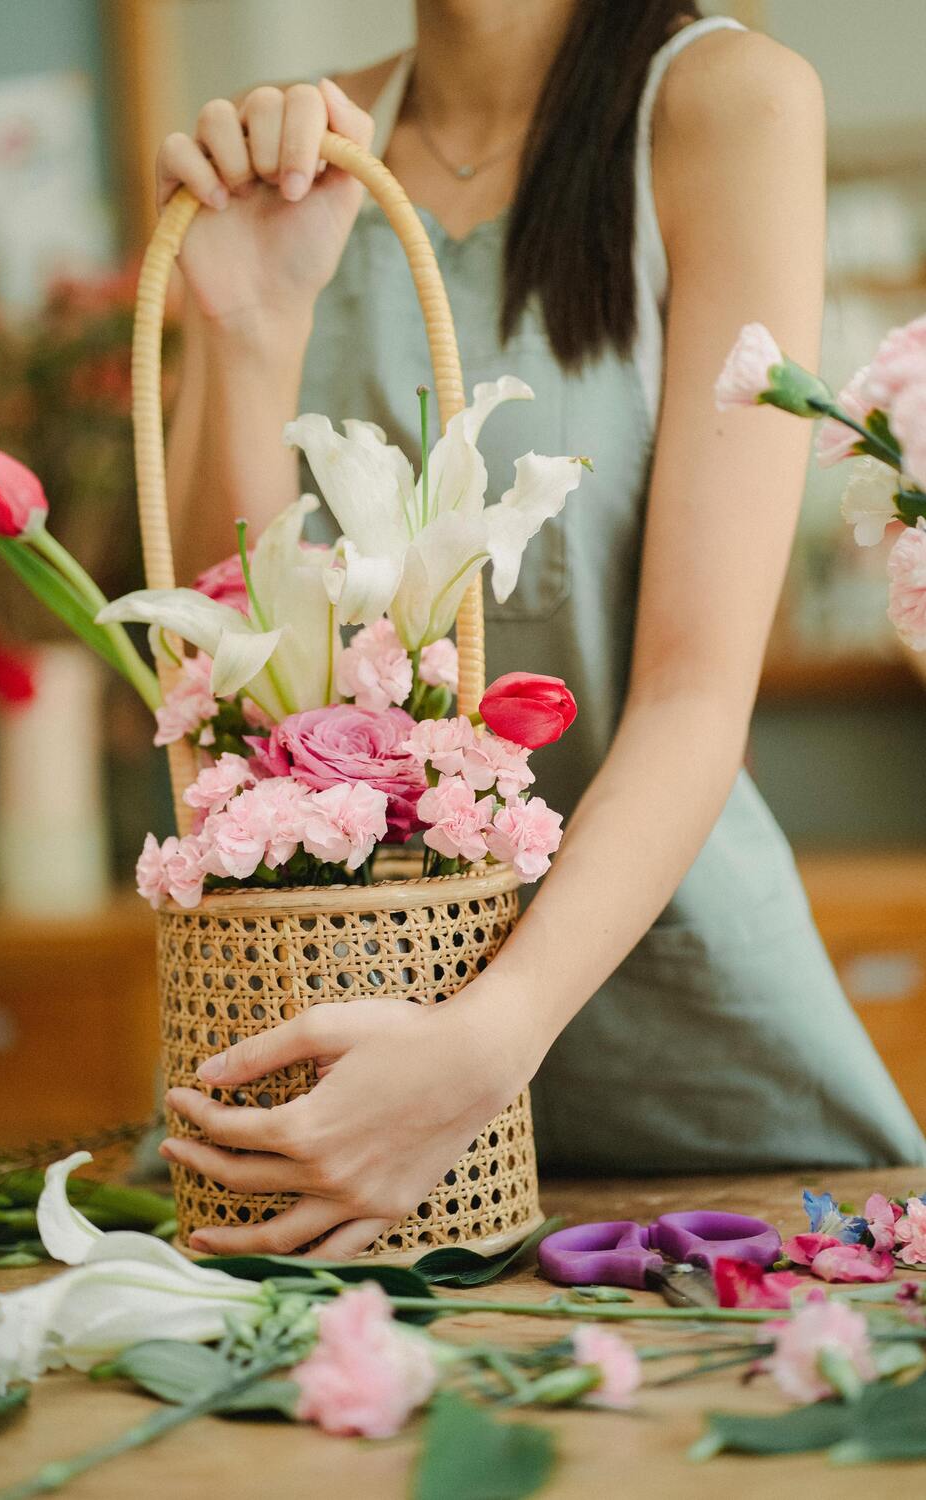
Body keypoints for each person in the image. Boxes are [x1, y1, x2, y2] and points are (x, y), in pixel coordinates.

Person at [155, 0, 926, 1258]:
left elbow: (693, 693)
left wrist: (481, 1046)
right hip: (333, 1033)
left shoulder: (725, 101)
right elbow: (222, 670)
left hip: (674, 1060)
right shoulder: (298, 149)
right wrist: (250, 329)